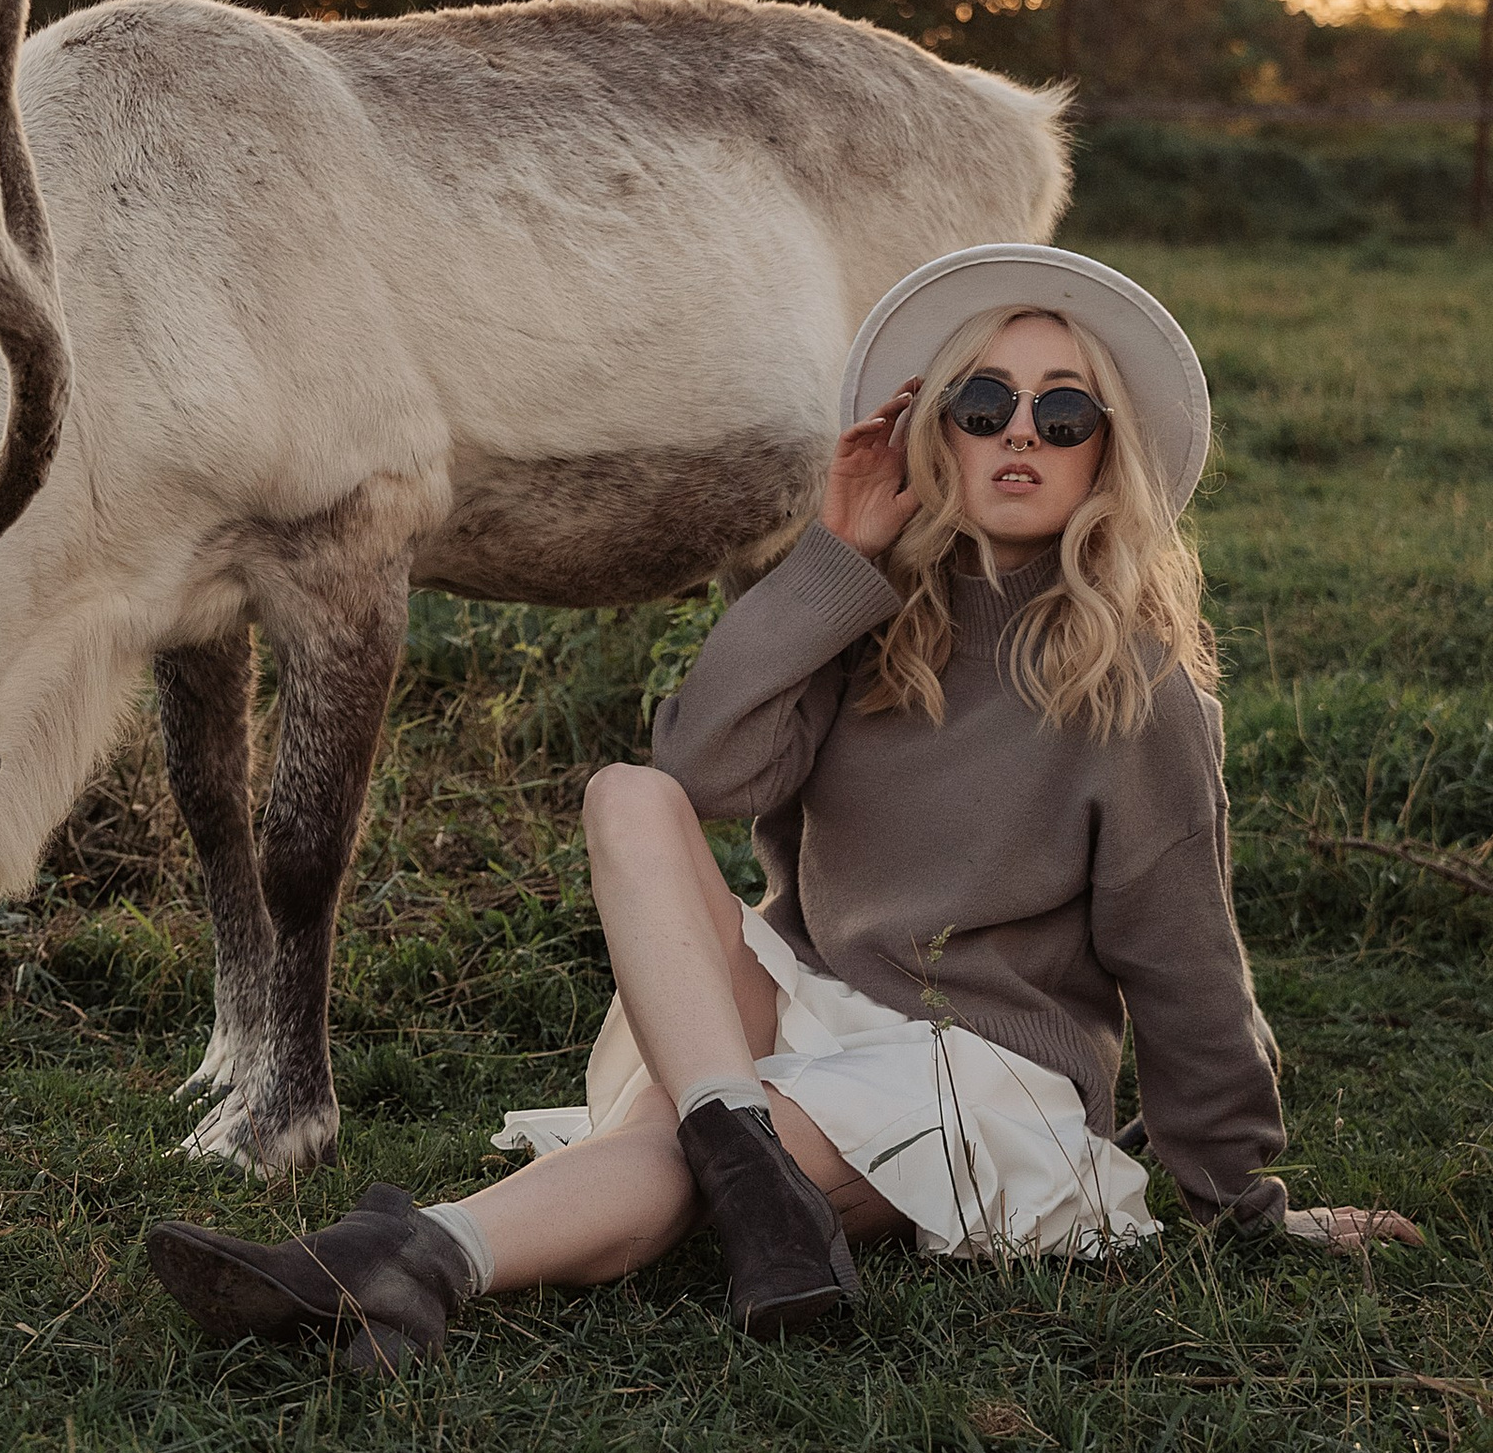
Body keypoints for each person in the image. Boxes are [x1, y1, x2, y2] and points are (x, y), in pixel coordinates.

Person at [146, 243, 1419, 1371]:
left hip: (972, 1064)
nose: (1018, 431)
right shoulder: (871, 618)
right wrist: (835, 558)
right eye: (984, 403)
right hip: (790, 1001)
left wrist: (1237, 1191)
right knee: (626, 794)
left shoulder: (1134, 684)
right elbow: (698, 771)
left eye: (1062, 409)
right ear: (942, 434)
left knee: (674, 1152)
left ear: (1105, 450)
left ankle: (402, 1260)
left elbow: (1185, 954)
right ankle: (729, 1164)